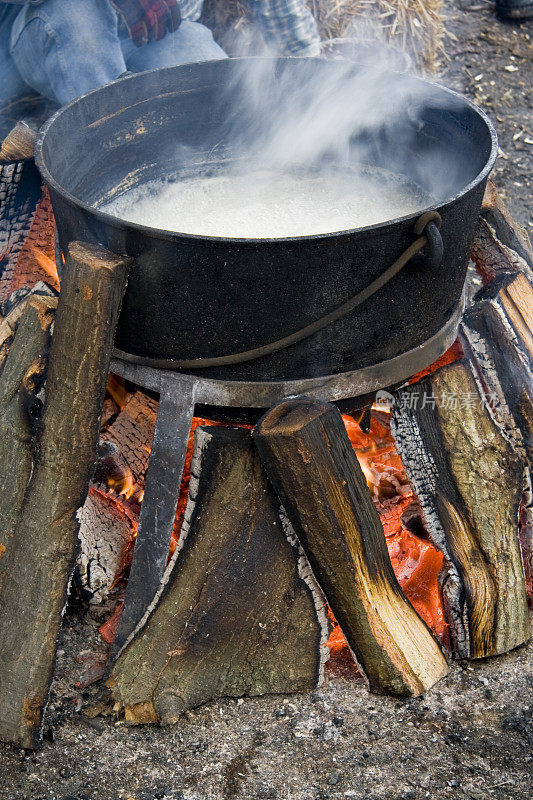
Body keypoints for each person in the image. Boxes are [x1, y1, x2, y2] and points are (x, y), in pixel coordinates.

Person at [0, 0, 320, 108]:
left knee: (217, 104)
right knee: (80, 19)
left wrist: (314, 77)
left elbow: (279, 9)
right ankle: (108, 167)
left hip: (165, 34)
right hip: (55, 24)